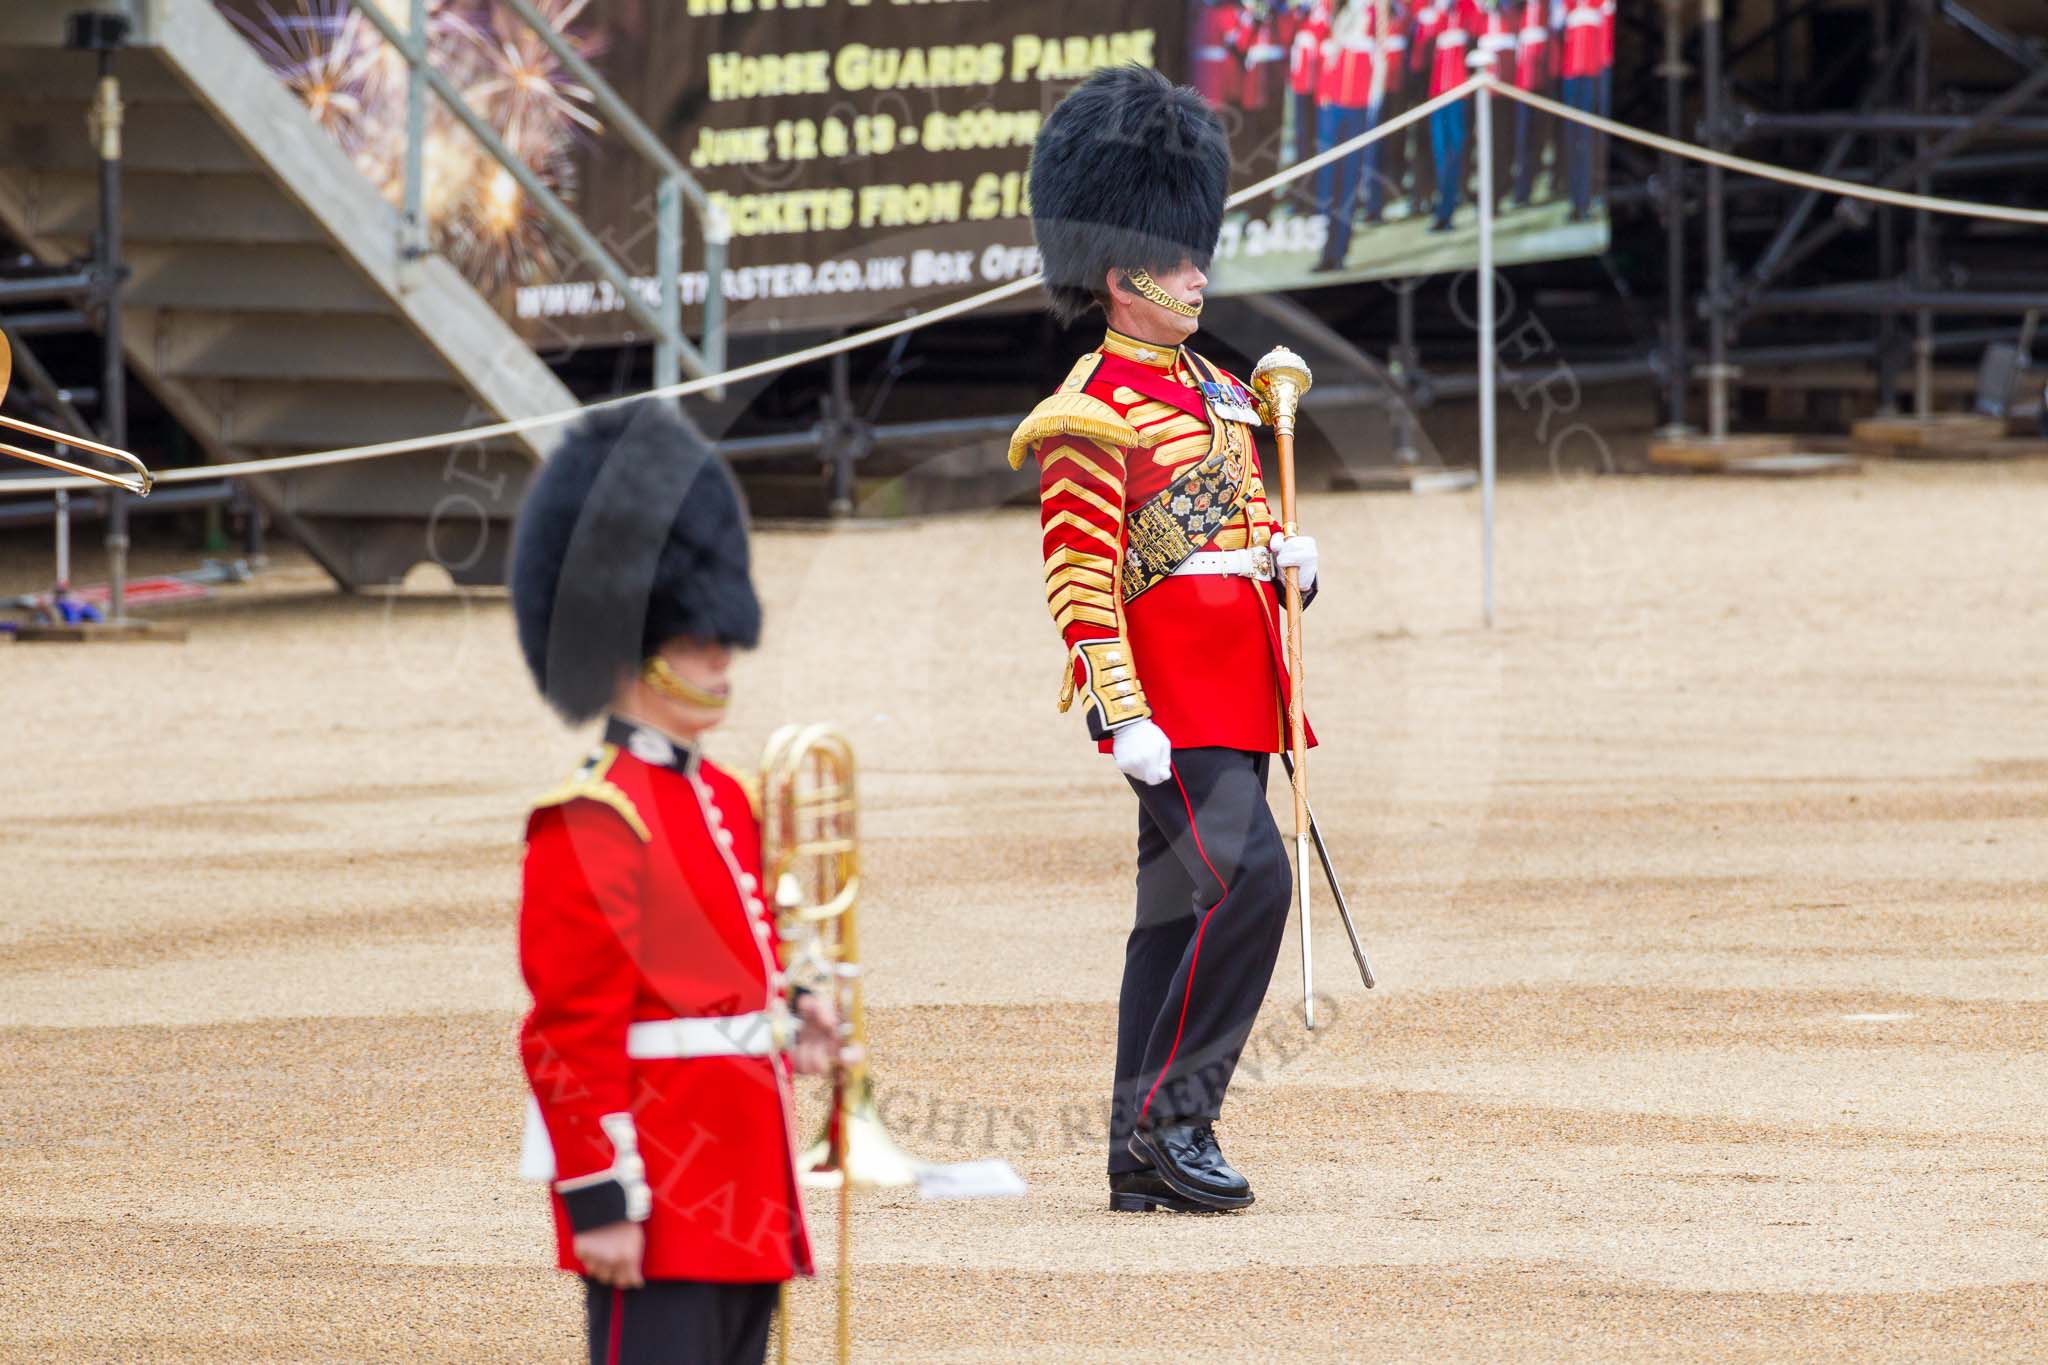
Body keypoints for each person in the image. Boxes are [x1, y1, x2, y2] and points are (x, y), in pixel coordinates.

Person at [1010, 65, 1325, 1215]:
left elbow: (1241, 532)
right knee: (1245, 882)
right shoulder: (1088, 409)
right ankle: (1172, 1124)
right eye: (1177, 253)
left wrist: (1292, 565)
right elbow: (1079, 574)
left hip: (1239, 688)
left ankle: (1131, 1156)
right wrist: (1122, 709)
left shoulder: (1229, 395)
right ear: (1119, 271)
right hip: (1168, 703)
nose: (1199, 270)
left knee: (1176, 911)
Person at [509, 401, 838, 1365]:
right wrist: (601, 1198)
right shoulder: (591, 817)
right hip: (660, 1186)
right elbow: (569, 1033)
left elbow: (738, 968)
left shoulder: (725, 796)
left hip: (748, 1182)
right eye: (698, 637)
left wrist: (798, 1008)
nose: (721, 654)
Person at [1311, 1, 1382, 271]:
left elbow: (1382, 53)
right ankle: (1326, 251)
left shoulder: (1376, 12)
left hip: (1359, 108)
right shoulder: (1335, 10)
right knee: (1328, 181)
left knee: (1349, 180)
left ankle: (1339, 252)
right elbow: (1325, 55)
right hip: (1332, 106)